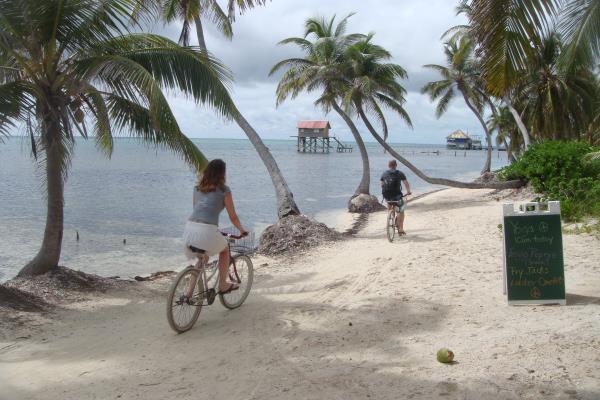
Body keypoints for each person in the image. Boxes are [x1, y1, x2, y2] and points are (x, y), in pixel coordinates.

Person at [183, 159, 248, 294]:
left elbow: (197, 209)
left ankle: (188, 293)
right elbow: (233, 216)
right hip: (207, 230)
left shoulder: (197, 188)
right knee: (224, 251)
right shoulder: (225, 190)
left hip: (190, 228)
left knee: (202, 258)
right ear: (222, 174)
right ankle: (223, 285)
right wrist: (242, 230)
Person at [381, 159, 411, 235]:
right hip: (397, 195)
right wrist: (408, 191)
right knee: (401, 210)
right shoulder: (400, 173)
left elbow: (381, 185)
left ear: (388, 166)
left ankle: (390, 216)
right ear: (396, 165)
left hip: (386, 194)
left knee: (389, 203)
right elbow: (406, 184)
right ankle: (400, 229)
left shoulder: (384, 173)